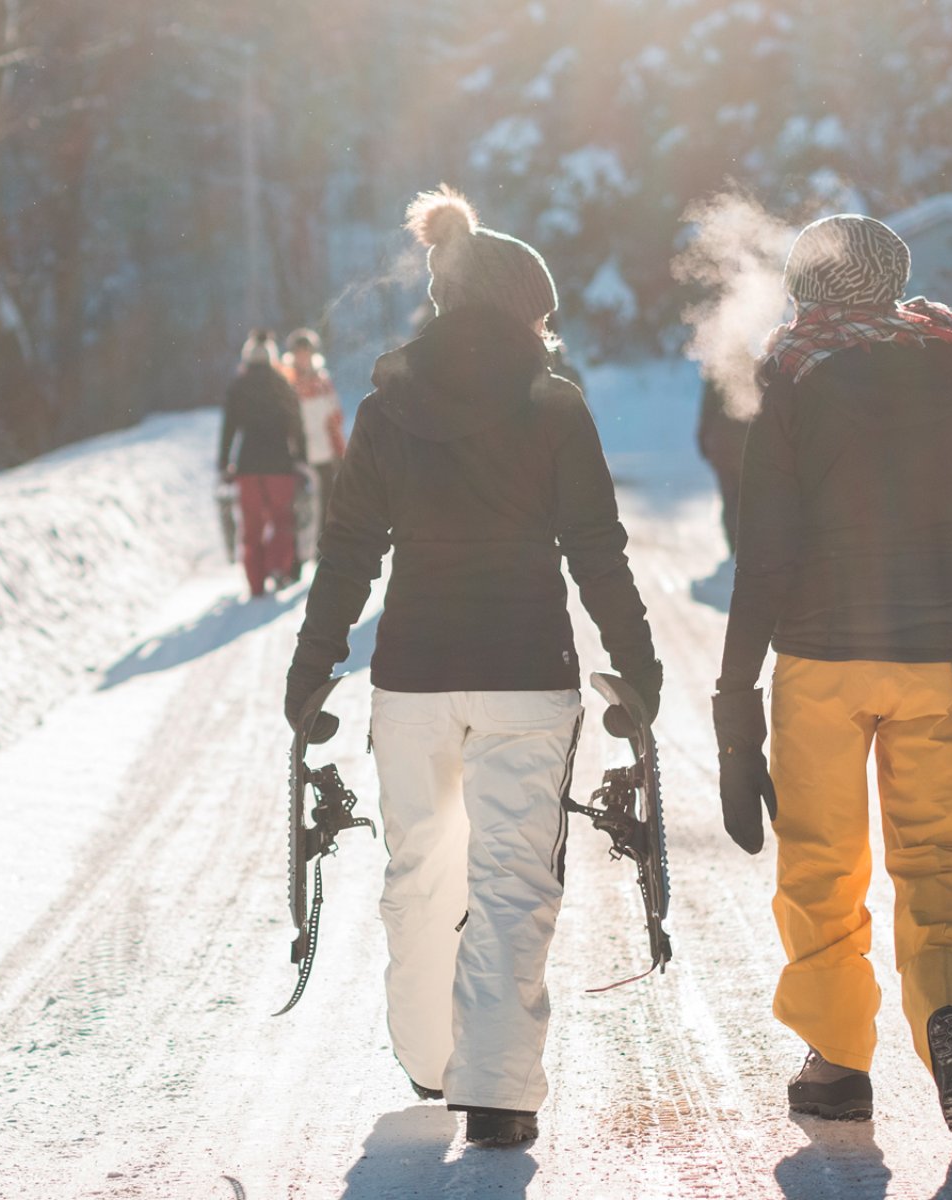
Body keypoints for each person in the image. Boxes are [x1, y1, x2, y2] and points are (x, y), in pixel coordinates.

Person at [284, 187, 660, 1149]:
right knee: (511, 876)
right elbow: (597, 548)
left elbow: (350, 548)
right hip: (527, 673)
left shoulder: (386, 405)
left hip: (412, 676)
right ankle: (496, 1091)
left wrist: (313, 664)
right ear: (524, 309)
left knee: (419, 870)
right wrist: (637, 663)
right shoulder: (555, 405)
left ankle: (429, 1058)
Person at [710, 214, 952, 1137]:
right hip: (947, 656)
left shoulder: (791, 371)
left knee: (823, 861)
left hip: (823, 659)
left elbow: (767, 554)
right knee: (945, 858)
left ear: (806, 286)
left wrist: (734, 699)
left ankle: (836, 1063)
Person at [218, 329, 306, 597]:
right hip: (280, 466)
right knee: (282, 521)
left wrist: (224, 464)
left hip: (247, 467)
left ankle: (256, 583)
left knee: (251, 527)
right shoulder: (283, 383)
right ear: (271, 355)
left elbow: (229, 429)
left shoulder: (238, 387)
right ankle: (278, 567)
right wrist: (301, 458)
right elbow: (297, 425)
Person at [283, 328, 347, 565]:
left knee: (327, 505)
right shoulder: (288, 383)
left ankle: (322, 552)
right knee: (301, 508)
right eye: (299, 353)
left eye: (307, 352)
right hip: (300, 455)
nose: (303, 357)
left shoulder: (322, 381)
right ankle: (297, 558)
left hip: (326, 453)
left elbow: (335, 417)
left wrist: (340, 450)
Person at [696, 377, 752, 559]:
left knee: (729, 498)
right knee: (749, 498)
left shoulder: (717, 371)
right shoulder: (754, 366)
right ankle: (747, 544)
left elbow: (706, 411)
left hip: (722, 446)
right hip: (747, 445)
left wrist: (703, 442)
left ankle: (734, 545)